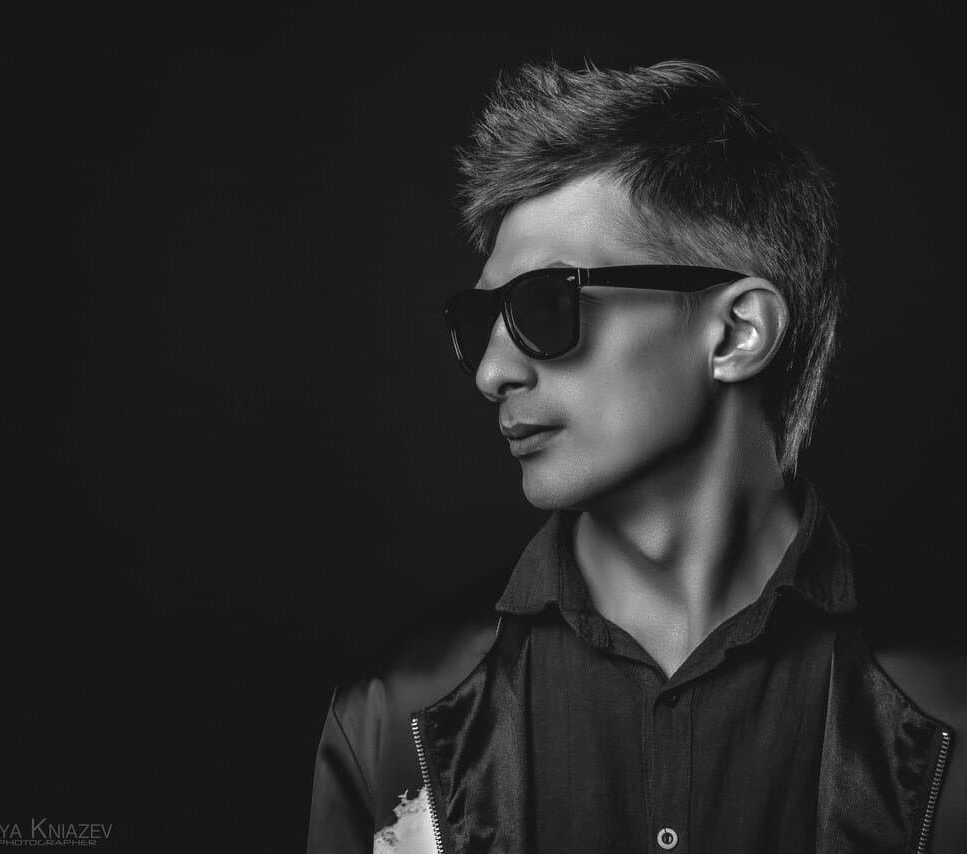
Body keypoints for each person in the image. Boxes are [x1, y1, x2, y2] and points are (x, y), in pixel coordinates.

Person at [307, 60, 964, 853]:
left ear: (737, 333)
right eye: (481, 321)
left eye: (545, 305)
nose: (492, 373)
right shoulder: (395, 714)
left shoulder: (950, 708)